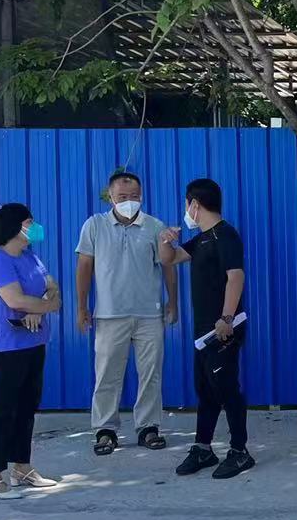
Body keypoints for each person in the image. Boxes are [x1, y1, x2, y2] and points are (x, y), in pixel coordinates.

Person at [76, 170, 179, 456]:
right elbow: (84, 267)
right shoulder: (94, 225)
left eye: (134, 196)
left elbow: (168, 265)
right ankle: (105, 429)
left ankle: (148, 427)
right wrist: (82, 307)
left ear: (142, 196)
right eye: (122, 196)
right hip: (109, 314)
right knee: (107, 374)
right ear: (110, 197)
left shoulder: (155, 226)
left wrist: (173, 302)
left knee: (151, 374)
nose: (128, 201)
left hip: (149, 315)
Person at [160, 178, 254, 480]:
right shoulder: (201, 239)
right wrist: (165, 240)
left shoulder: (226, 234)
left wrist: (226, 318)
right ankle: (203, 448)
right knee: (206, 389)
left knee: (226, 388)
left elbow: (235, 277)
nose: (186, 209)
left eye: (186, 204)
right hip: (203, 333)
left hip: (223, 328)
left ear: (194, 204)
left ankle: (240, 451)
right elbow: (170, 259)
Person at [0, 203, 63, 498]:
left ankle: (21, 468)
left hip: (34, 341)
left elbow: (52, 287)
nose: (35, 226)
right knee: (3, 410)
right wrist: (46, 305)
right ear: (14, 227)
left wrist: (39, 307)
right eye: (29, 222)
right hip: (7, 346)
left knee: (27, 407)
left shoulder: (29, 255)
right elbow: (15, 300)